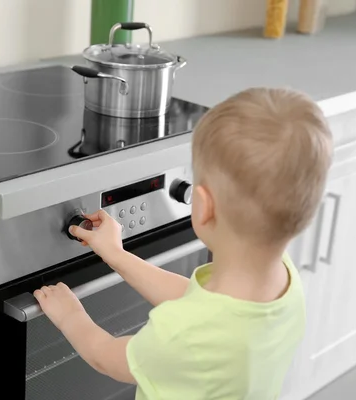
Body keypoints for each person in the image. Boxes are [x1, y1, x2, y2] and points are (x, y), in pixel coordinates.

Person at [34, 87, 333, 399]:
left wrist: (70, 316)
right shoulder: (285, 282)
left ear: (203, 205)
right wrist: (117, 256)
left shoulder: (182, 334)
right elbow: (196, 301)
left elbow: (106, 357)